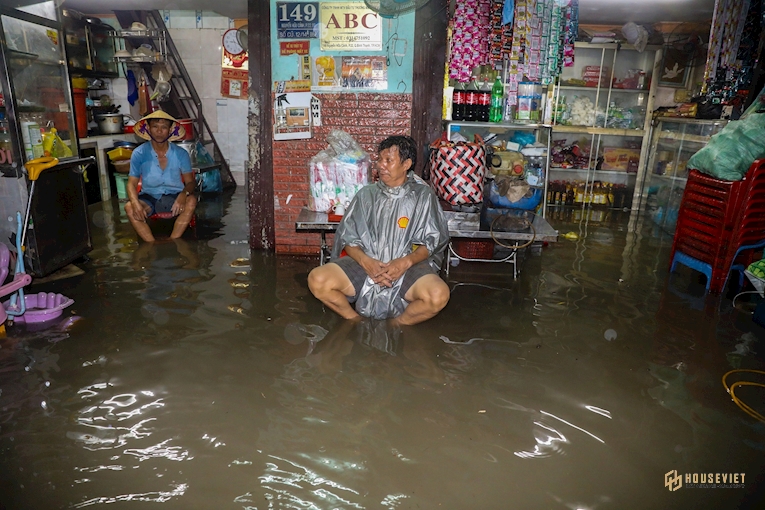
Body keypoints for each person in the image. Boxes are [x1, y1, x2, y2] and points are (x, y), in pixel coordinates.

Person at [308, 135, 450, 326]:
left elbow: (432, 242)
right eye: (380, 159)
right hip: (366, 264)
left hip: (408, 266)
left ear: (406, 163)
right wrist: (366, 261)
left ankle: (398, 324)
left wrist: (405, 262)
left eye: (388, 160)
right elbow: (349, 238)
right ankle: (355, 321)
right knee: (317, 279)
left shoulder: (423, 196)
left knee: (438, 295)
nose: (380, 165)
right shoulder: (366, 195)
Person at [125, 110, 196, 242]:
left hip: (174, 197)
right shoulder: (139, 153)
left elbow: (190, 183)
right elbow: (131, 183)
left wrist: (183, 194)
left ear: (170, 130)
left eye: (164, 127)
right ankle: (151, 243)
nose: (159, 131)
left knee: (191, 201)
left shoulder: (181, 154)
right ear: (148, 129)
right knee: (129, 207)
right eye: (155, 127)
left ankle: (173, 240)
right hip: (149, 197)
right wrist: (135, 203)